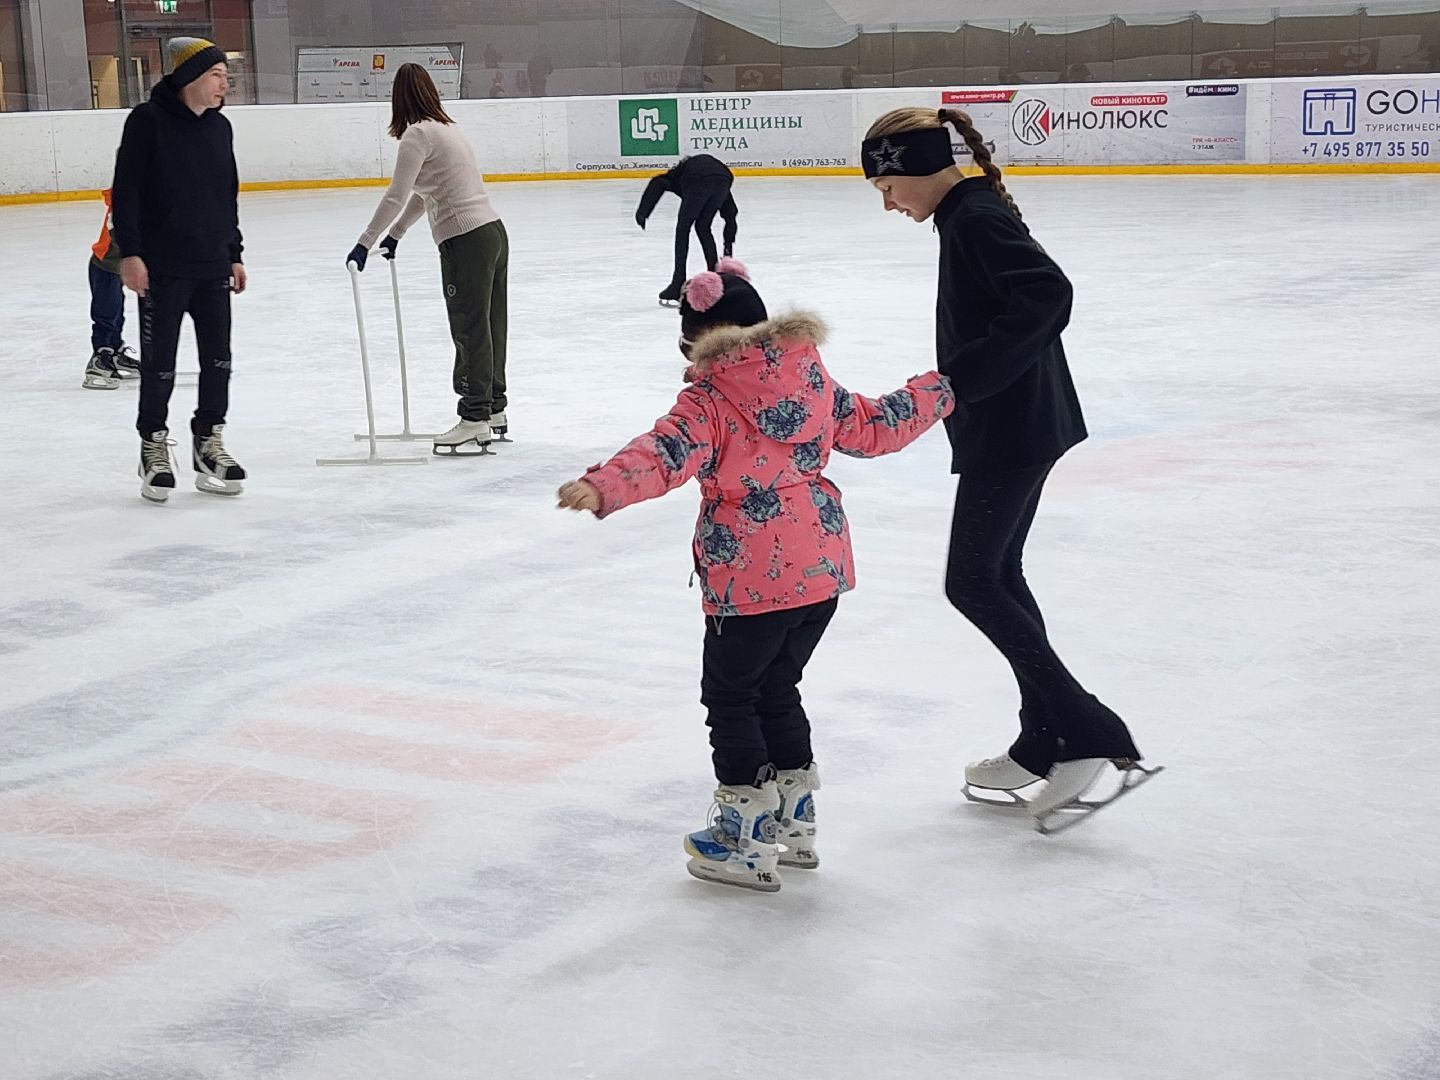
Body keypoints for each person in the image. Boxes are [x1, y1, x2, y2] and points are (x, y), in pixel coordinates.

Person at [556, 258, 953, 891]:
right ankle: (795, 822)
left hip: (748, 577)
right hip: (820, 568)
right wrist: (940, 388)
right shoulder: (810, 375)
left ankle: (745, 838)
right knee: (778, 688)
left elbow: (665, 454)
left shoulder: (709, 398)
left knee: (733, 697)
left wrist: (600, 486)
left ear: (698, 338)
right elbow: (875, 427)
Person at [861, 106, 1155, 831]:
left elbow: (1049, 294)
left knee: (971, 582)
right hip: (1019, 422)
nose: (888, 203)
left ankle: (1086, 728)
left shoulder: (975, 218)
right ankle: (1042, 736)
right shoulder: (965, 214)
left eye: (885, 187)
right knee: (999, 577)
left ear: (912, 167)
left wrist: (965, 377)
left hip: (1014, 426)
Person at [348, 63, 510, 456]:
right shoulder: (447, 129)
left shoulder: (416, 135)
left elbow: (396, 195)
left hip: (465, 241)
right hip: (493, 232)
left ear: (398, 98)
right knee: (491, 324)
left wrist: (364, 243)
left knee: (470, 328)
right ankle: (493, 409)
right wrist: (396, 235)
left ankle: (474, 417)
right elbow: (424, 194)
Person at [112, 37, 247, 504]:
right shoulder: (146, 123)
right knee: (160, 365)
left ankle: (208, 440)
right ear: (190, 76)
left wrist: (234, 252)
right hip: (162, 268)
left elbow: (225, 195)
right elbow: (125, 191)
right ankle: (153, 443)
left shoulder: (220, 127)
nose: (224, 83)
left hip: (212, 265)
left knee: (218, 361)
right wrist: (130, 253)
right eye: (216, 75)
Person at [634, 154, 739, 306]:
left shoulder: (675, 178)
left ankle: (678, 284)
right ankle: (716, 276)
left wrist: (642, 212)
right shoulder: (715, 176)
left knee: (683, 228)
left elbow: (658, 181)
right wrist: (728, 250)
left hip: (697, 177)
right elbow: (731, 213)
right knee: (703, 226)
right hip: (724, 177)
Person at [82, 188, 141, 390]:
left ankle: (115, 353)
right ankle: (101, 355)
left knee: (117, 312)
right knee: (106, 313)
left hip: (116, 267)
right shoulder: (126, 201)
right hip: (105, 265)